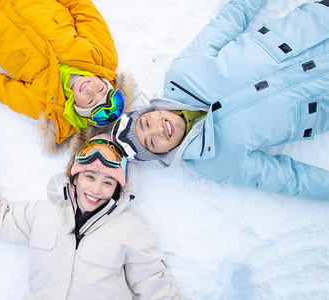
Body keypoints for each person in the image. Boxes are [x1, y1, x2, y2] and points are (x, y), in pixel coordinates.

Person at [111, 0, 329, 200]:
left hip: (316, 24)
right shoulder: (214, 162)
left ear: (150, 111)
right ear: (160, 154)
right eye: (151, 142)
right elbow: (289, 179)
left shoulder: (184, 74)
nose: (157, 130)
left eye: (146, 123)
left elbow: (230, 19)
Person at [0, 130, 182, 299]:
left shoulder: (131, 229)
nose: (95, 190)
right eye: (89, 177)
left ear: (117, 188)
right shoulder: (46, 213)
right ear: (75, 177)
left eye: (107, 182)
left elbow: (155, 288)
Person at [0, 0, 133, 153]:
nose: (91, 89)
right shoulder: (101, 56)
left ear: (78, 109)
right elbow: (84, 11)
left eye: (90, 101)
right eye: (101, 89)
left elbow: (4, 90)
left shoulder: (45, 102)